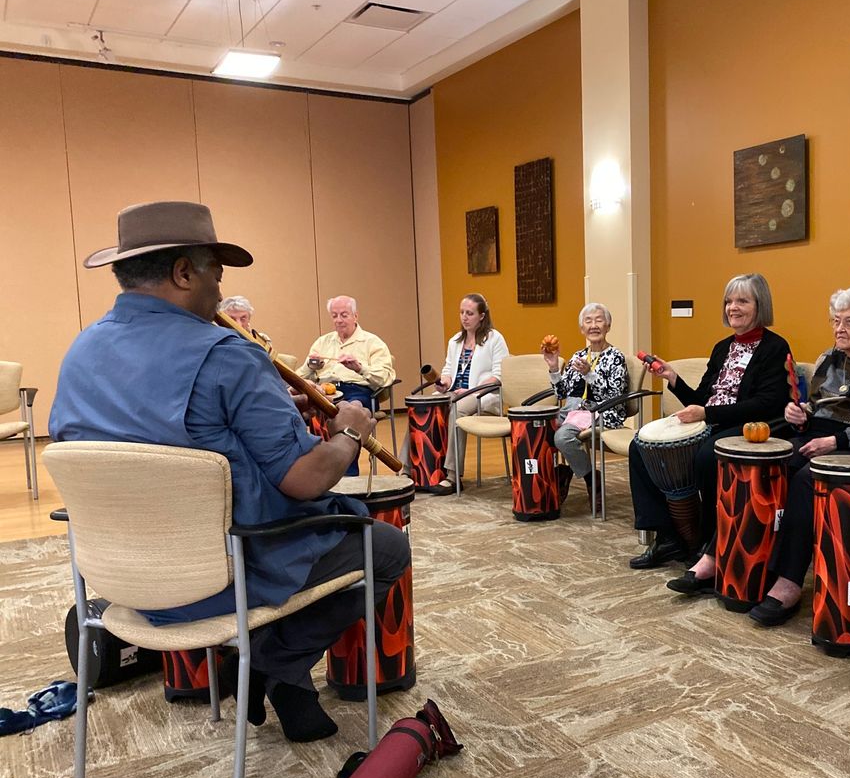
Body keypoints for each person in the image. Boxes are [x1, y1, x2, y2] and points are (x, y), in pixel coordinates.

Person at [49, 201, 408, 744]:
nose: (220, 290)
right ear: (183, 272)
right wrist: (350, 431)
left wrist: (271, 409)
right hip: (226, 575)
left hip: (124, 580)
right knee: (384, 547)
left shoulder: (79, 353)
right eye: (216, 273)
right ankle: (274, 662)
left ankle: (278, 675)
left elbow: (158, 440)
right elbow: (306, 479)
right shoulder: (228, 356)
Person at [747, 287, 850, 626]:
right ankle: (755, 561)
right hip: (823, 434)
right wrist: (799, 413)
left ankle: (789, 580)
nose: (839, 328)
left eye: (849, 321)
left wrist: (836, 440)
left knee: (808, 480)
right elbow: (818, 404)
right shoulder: (829, 357)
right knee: (773, 464)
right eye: (836, 320)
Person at [628, 272, 791, 575]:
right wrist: (672, 378)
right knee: (639, 445)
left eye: (742, 300)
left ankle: (707, 542)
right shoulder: (722, 348)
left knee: (705, 456)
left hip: (746, 427)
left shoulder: (775, 348)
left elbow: (767, 404)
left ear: (760, 305)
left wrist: (707, 415)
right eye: (729, 301)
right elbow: (702, 398)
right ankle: (667, 536)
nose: (733, 307)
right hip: (712, 421)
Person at [420, 293, 510, 495]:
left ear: (482, 316)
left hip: (482, 395)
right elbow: (449, 370)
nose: (464, 317)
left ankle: (452, 475)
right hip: (455, 392)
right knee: (423, 407)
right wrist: (444, 383)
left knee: (457, 409)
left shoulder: (494, 339)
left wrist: (470, 391)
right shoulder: (455, 341)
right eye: (462, 312)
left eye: (470, 313)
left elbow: (499, 376)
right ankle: (413, 470)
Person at [542, 302, 629, 503]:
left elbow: (614, 394)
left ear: (608, 326)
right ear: (582, 329)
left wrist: (590, 374)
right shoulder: (579, 356)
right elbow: (562, 392)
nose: (594, 326)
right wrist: (554, 367)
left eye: (599, 320)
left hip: (600, 410)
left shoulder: (615, 357)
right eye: (588, 321)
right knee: (539, 428)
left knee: (562, 437)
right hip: (573, 407)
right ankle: (558, 475)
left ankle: (591, 479)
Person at [302, 295, 395, 475]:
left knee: (348, 413)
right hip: (325, 390)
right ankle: (317, 473)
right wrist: (309, 365)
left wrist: (359, 368)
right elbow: (300, 376)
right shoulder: (323, 342)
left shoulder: (372, 342)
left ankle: (347, 475)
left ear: (355, 316)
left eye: (344, 315)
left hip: (357, 391)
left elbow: (384, 378)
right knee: (312, 408)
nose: (339, 320)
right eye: (335, 315)